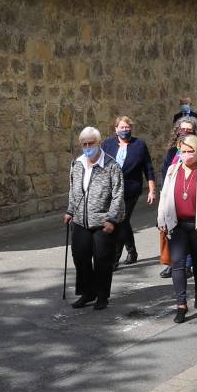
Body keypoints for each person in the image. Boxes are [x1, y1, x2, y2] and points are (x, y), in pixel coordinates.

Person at [157, 135, 197, 324]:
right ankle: (181, 305)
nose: (186, 155)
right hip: (177, 225)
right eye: (183, 152)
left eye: (190, 151)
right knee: (177, 263)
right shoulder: (172, 170)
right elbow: (165, 195)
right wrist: (161, 218)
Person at [64, 126, 126, 309]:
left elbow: (118, 195)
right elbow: (73, 191)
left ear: (99, 143)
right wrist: (69, 211)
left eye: (91, 143)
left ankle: (102, 296)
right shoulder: (77, 164)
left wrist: (112, 219)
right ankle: (87, 292)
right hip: (80, 221)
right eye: (84, 144)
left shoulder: (111, 166)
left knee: (102, 260)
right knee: (80, 257)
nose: (87, 147)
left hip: (103, 222)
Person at [160, 117, 197, 279]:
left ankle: (186, 265)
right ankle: (173, 263)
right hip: (173, 199)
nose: (185, 132)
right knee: (172, 232)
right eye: (182, 129)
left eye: (189, 130)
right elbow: (165, 172)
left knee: (189, 233)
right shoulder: (172, 151)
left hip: (191, 199)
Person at [108, 116, 155, 265]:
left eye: (127, 127)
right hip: (112, 191)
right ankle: (132, 251)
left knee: (120, 221)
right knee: (123, 222)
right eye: (122, 127)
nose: (125, 130)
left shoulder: (139, 145)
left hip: (131, 190)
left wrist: (152, 190)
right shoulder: (107, 145)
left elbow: (148, 168)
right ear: (116, 129)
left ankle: (114, 258)